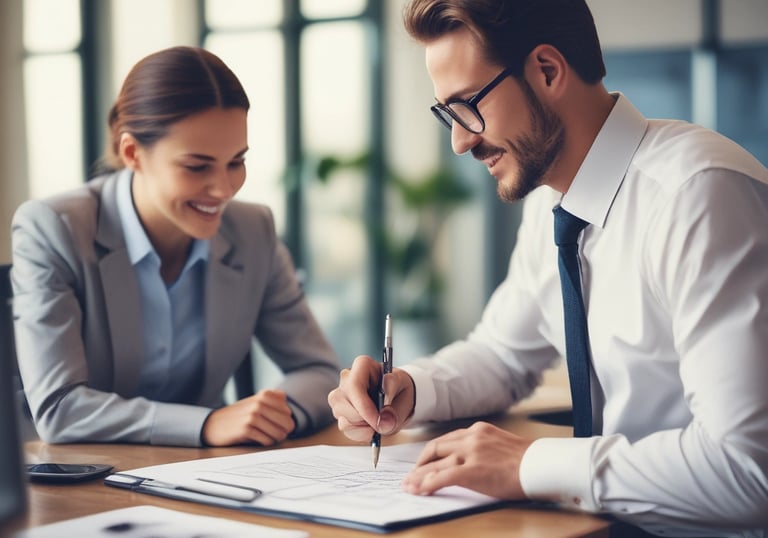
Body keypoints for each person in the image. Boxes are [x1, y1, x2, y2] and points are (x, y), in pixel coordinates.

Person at [327, 1, 768, 535]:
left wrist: (528, 465)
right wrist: (408, 389)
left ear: (547, 70)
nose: (460, 140)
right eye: (447, 114)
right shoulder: (551, 206)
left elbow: (748, 470)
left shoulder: (699, 196)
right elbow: (502, 355)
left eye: (468, 105)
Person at [11, 46, 341, 447]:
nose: (223, 188)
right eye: (197, 166)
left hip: (202, 474)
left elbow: (319, 370)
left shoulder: (254, 230)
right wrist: (206, 425)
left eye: (236, 161)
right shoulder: (53, 229)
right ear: (132, 153)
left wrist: (271, 416)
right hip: (77, 479)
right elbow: (59, 407)